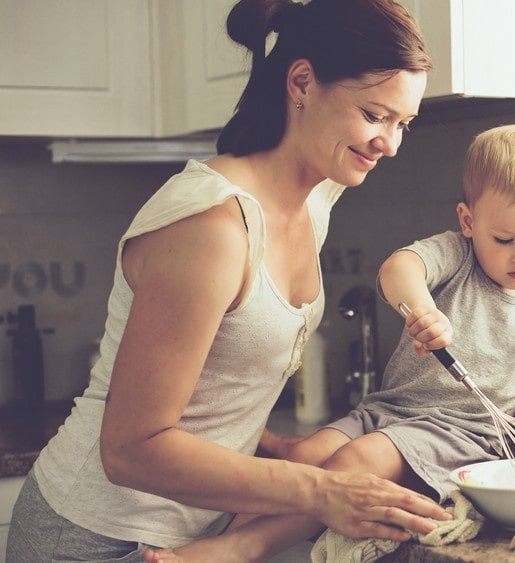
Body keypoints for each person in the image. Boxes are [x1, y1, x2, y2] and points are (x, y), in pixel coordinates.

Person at [5, 0, 451, 561]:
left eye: (403, 123)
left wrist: (267, 444)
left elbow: (207, 382)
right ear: (303, 82)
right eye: (374, 115)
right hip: (93, 538)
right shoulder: (212, 225)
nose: (390, 143)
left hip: (194, 536)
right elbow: (130, 449)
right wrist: (322, 490)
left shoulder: (319, 193)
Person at [142, 123, 515, 562]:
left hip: (462, 437)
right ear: (468, 221)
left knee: (355, 462)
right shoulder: (456, 256)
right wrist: (422, 309)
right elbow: (399, 269)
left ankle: (239, 549)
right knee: (308, 456)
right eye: (504, 239)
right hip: (388, 411)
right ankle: (217, 548)